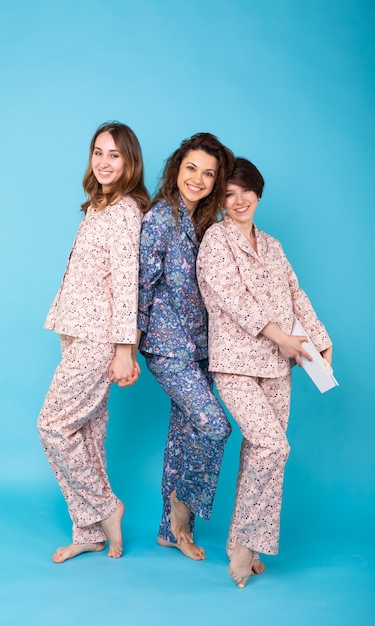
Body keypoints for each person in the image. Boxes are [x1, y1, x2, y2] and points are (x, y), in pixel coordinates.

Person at [197, 157, 333, 587]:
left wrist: (320, 341)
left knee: (260, 453)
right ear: (220, 200)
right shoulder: (215, 242)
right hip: (235, 364)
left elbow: (295, 294)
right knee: (274, 447)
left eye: (245, 191)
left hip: (277, 366)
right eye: (228, 194)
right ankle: (245, 546)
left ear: (258, 192)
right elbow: (237, 301)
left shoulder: (272, 244)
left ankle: (243, 536)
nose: (238, 201)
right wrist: (284, 338)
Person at [37, 122, 150, 563]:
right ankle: (88, 531)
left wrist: (126, 351)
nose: (103, 162)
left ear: (130, 161)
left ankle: (105, 507)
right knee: (85, 433)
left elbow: (128, 284)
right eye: (98, 152)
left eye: (114, 155)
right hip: (77, 330)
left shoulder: (124, 211)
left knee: (53, 425)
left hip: (99, 339)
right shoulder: (99, 206)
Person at [138, 132, 236, 562]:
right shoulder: (160, 218)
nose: (197, 178)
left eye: (208, 173)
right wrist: (124, 347)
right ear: (177, 168)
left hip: (202, 348)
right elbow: (138, 286)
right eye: (191, 167)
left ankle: (169, 530)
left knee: (185, 434)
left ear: (217, 182)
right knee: (215, 425)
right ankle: (181, 509)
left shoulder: (209, 228)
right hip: (166, 345)